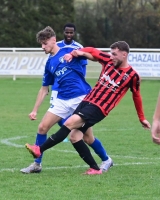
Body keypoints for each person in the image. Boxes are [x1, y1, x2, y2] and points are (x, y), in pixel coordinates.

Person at [25, 41, 151, 175]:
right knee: (75, 137)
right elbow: (93, 50)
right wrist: (78, 52)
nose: (111, 56)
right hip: (87, 101)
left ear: (124, 55)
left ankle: (39, 149)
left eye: (114, 54)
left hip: (99, 108)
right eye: (111, 53)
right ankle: (95, 168)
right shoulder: (107, 59)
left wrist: (142, 118)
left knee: (69, 123)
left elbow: (136, 96)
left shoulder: (133, 76)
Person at [20, 26, 112, 174]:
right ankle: (37, 164)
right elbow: (44, 89)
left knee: (88, 138)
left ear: (53, 40)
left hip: (80, 98)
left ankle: (106, 159)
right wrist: (35, 110)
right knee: (42, 128)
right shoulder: (49, 63)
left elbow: (93, 57)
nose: (42, 47)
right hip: (62, 100)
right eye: (41, 44)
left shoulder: (71, 52)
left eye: (45, 43)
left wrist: (79, 54)